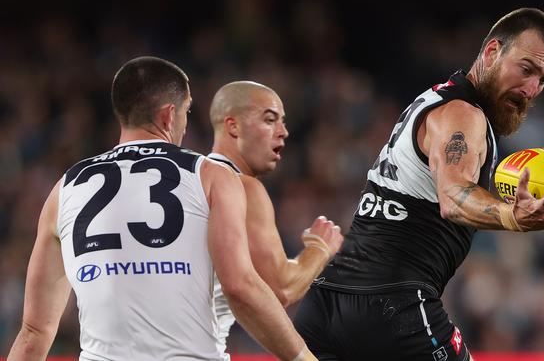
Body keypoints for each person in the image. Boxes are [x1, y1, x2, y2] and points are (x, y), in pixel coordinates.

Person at [293, 8, 544, 361]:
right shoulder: (463, 115)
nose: (531, 89)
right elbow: (454, 196)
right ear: (492, 52)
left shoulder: (437, 99)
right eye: (526, 69)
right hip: (391, 303)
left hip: (325, 303)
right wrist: (512, 216)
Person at [7, 57, 318, 361]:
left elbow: (34, 332)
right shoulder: (212, 177)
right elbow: (240, 287)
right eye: (186, 112)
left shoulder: (64, 189)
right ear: (170, 116)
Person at [207, 80, 344, 358]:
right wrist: (320, 248)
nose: (283, 132)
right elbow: (280, 288)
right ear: (233, 126)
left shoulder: (189, 180)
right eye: (270, 120)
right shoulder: (242, 186)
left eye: (283, 121)